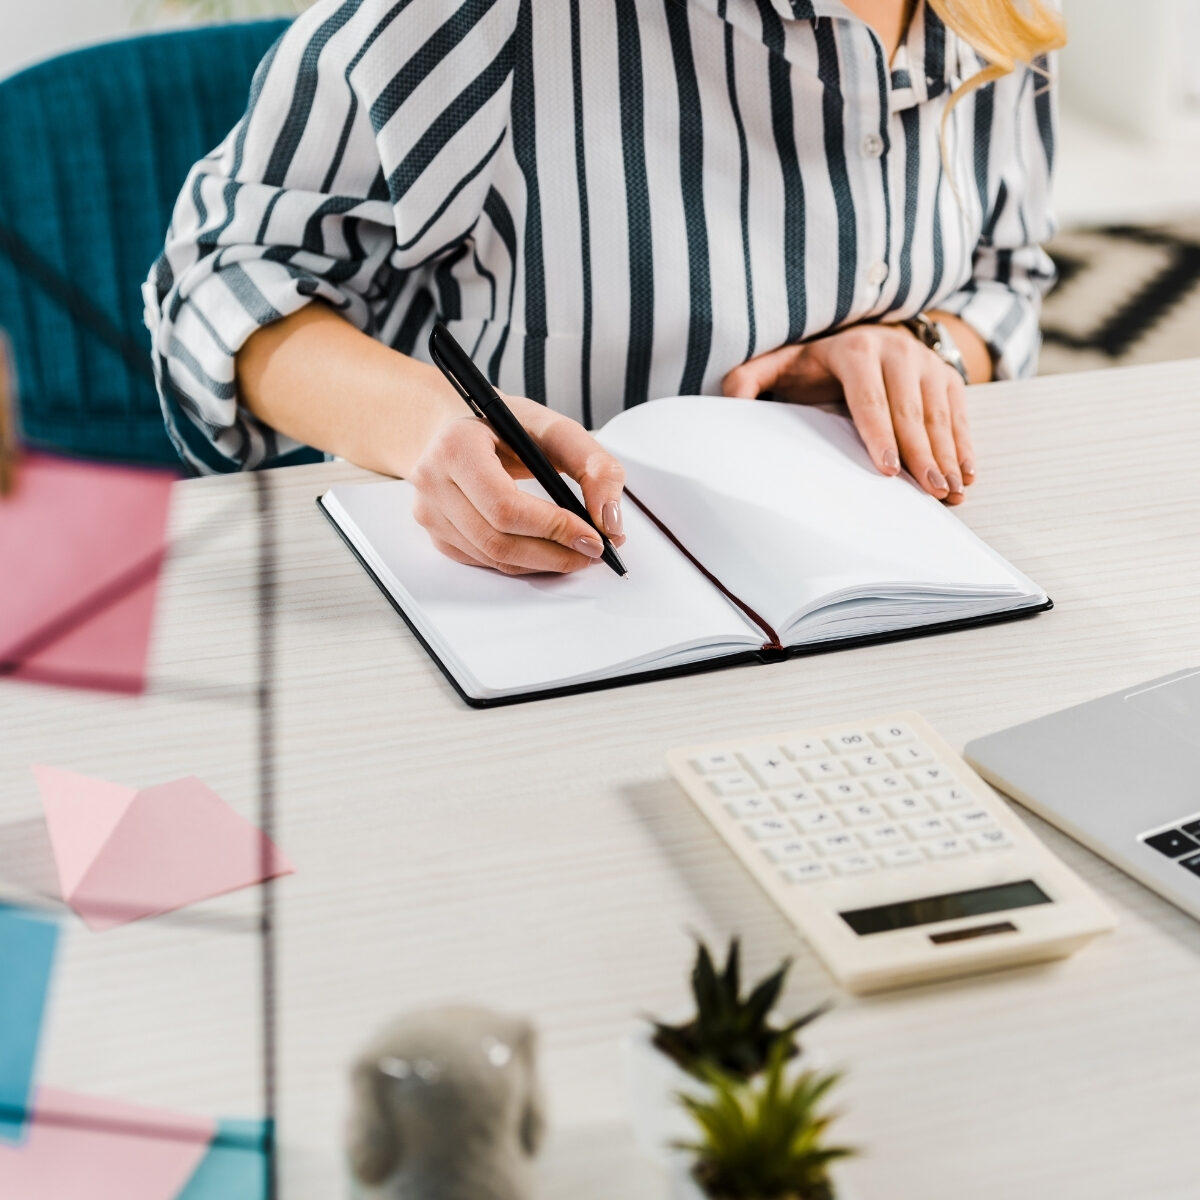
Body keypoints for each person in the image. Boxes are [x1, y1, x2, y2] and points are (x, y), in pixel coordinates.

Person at [145, 0, 1064, 575]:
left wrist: (925, 344)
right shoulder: (481, 19)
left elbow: (1008, 277)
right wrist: (421, 425)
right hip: (555, 605)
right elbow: (214, 282)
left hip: (882, 582)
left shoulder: (1000, 18)